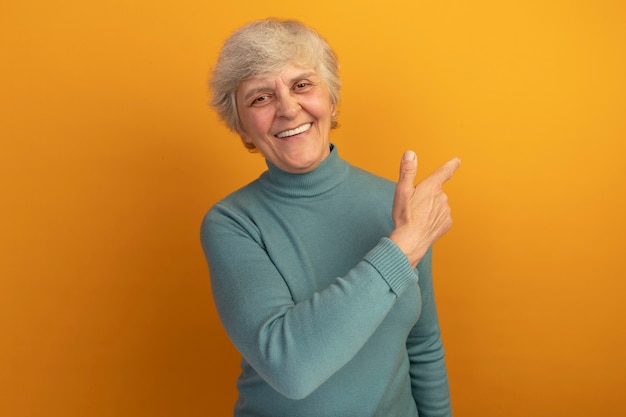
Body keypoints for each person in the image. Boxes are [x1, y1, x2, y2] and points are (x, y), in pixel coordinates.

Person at [201, 18, 460, 417]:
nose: (288, 108)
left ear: (333, 100)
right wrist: (403, 246)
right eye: (260, 98)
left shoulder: (398, 204)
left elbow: (422, 344)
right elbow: (291, 368)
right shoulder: (231, 223)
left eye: (302, 85)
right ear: (243, 130)